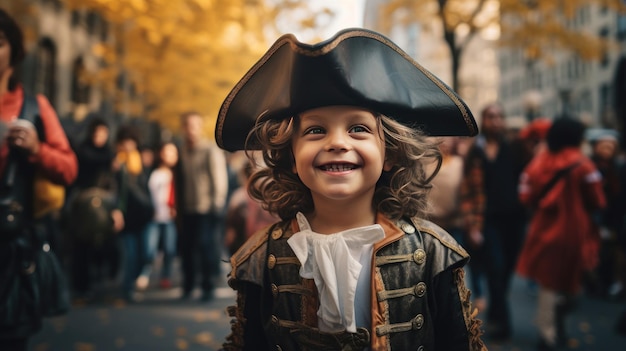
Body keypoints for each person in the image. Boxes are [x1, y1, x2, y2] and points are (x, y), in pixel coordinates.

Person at [217, 28, 486, 350]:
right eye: (316, 130)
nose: (338, 143)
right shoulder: (261, 257)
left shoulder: (432, 252)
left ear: (390, 154)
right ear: (290, 156)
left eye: (358, 129)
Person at [0, 8, 77, 350]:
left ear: (14, 52)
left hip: (12, 246)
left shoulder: (33, 105)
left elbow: (69, 168)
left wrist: (36, 149)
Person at [516, 117, 606, 351]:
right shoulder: (584, 164)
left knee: (548, 284)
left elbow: (525, 193)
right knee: (572, 283)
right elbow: (597, 199)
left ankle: (548, 333)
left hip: (544, 230)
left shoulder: (540, 162)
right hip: (574, 232)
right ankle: (556, 322)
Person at [460, 103, 528, 341]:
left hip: (515, 221)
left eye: (499, 117)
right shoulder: (475, 152)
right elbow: (467, 191)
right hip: (487, 221)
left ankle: (498, 312)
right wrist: (472, 225)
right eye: (491, 117)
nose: (495, 121)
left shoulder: (515, 149)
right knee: (496, 269)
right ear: (484, 120)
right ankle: (503, 323)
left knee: (507, 270)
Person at [175, 111, 229, 301]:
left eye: (195, 125)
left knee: (206, 247)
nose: (191, 130)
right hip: (187, 209)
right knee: (187, 248)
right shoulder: (181, 150)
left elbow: (219, 178)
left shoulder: (209, 149)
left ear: (199, 127)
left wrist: (217, 204)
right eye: (188, 125)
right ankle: (188, 285)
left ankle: (208, 286)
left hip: (207, 208)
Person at [67, 117, 118, 299]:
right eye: (96, 133)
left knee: (104, 242)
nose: (99, 137)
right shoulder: (84, 151)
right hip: (82, 202)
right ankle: (82, 283)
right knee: (81, 244)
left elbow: (115, 183)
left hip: (104, 204)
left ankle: (100, 279)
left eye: (103, 133)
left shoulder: (110, 153)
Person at [111, 125, 154, 302]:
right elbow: (115, 191)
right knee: (130, 255)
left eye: (131, 142)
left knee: (146, 254)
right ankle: (127, 288)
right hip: (126, 217)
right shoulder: (116, 164)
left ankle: (134, 281)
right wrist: (116, 210)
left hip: (143, 216)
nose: (128, 146)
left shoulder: (141, 163)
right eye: (124, 142)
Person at [136, 141, 179, 290]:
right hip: (153, 217)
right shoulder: (152, 172)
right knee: (149, 250)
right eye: (166, 152)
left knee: (169, 249)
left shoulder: (178, 174)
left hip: (169, 218)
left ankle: (165, 276)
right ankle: (144, 274)